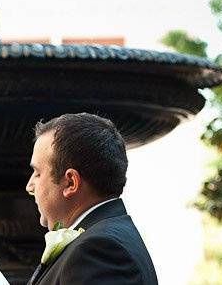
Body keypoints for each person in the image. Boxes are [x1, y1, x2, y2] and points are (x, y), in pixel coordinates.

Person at [25, 113, 157, 285]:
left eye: (38, 173)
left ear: (71, 182)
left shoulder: (98, 250)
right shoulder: (105, 238)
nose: (29, 186)